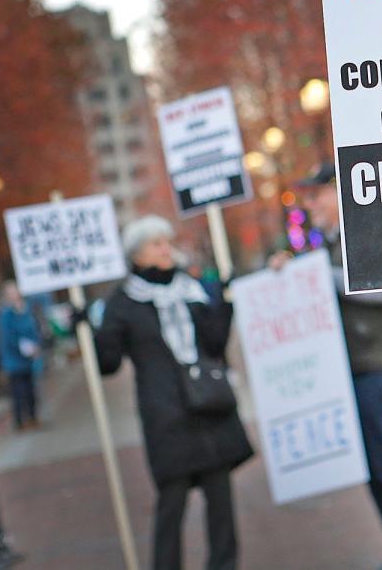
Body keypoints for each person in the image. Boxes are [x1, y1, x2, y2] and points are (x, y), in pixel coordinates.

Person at [272, 162, 382, 570]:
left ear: (338, 193)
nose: (309, 204)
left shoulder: (369, 231)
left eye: (316, 195)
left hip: (381, 362)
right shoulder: (328, 243)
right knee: (374, 463)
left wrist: (315, 277)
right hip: (360, 363)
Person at [95, 215, 253, 570]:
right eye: (156, 244)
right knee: (172, 503)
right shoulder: (122, 303)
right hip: (167, 416)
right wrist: (91, 329)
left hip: (208, 408)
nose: (167, 249)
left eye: (167, 241)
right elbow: (108, 364)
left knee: (221, 500)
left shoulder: (191, 289)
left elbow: (213, 343)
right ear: (137, 255)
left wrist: (225, 303)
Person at [0, 281, 42, 431]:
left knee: (30, 390)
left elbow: (35, 329)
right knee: (18, 392)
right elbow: (8, 337)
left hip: (28, 360)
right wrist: (25, 347)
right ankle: (20, 422)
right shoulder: (6, 315)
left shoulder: (27, 309)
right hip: (14, 361)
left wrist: (35, 346)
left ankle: (32, 418)